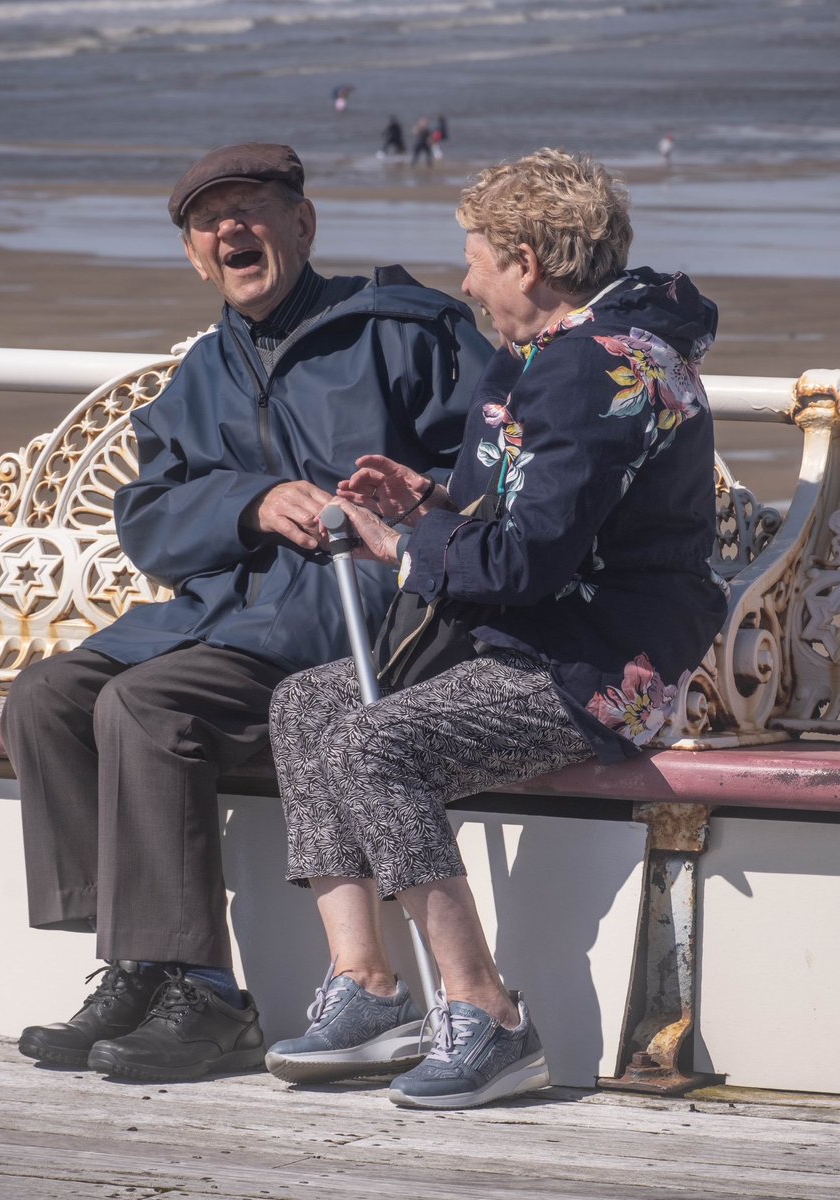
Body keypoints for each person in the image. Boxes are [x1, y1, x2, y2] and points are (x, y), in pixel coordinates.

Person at [2, 141, 492, 1083]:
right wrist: (249, 502)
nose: (230, 230)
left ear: (302, 225)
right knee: (47, 696)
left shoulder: (403, 329)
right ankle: (141, 963)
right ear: (193, 253)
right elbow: (147, 522)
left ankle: (208, 995)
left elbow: (484, 471)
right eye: (206, 221)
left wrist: (398, 502)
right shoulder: (201, 374)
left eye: (252, 209)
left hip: (355, 615)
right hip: (223, 612)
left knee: (147, 707)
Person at [263, 147, 728, 1109]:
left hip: (600, 668)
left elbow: (525, 563)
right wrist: (431, 496)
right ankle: (369, 988)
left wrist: (397, 546)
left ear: (525, 260)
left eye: (474, 257)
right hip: (532, 643)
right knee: (306, 705)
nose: (465, 279)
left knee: (370, 743)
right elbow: (525, 513)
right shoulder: (559, 359)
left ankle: (486, 1018)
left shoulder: (593, 371)